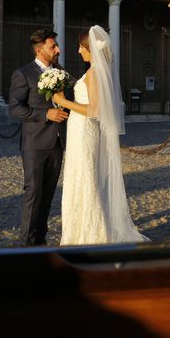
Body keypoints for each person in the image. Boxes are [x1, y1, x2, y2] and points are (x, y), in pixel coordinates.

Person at [53, 25, 149, 245]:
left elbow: (94, 110)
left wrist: (63, 101)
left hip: (85, 131)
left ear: (89, 48)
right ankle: (80, 229)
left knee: (86, 178)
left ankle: (90, 233)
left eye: (80, 47)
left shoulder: (95, 73)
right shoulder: (94, 72)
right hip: (80, 131)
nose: (78, 52)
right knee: (83, 176)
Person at [9, 29, 71, 246]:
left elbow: (67, 102)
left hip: (57, 143)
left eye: (57, 46)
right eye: (53, 47)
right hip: (35, 144)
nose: (58, 50)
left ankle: (40, 240)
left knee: (48, 195)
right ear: (39, 49)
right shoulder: (23, 74)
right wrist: (45, 114)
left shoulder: (61, 71)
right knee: (33, 193)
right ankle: (26, 242)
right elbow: (15, 108)